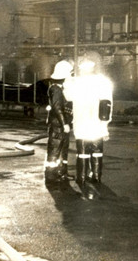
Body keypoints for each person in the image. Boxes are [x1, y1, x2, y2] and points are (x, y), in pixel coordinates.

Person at [64, 58, 114, 198]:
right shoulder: (103, 82)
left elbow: (68, 97)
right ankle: (96, 177)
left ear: (81, 69)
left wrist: (67, 81)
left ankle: (81, 178)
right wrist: (105, 126)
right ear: (93, 68)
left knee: (82, 153)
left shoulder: (76, 82)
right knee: (97, 152)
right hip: (97, 125)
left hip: (81, 125)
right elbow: (108, 106)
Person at [44, 60, 73, 188]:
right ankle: (51, 176)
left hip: (61, 125)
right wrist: (64, 123)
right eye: (70, 73)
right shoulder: (56, 89)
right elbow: (57, 108)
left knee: (63, 149)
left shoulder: (60, 89)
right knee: (55, 150)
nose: (71, 76)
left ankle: (61, 172)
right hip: (58, 126)